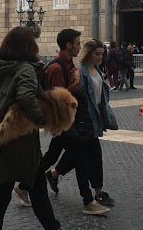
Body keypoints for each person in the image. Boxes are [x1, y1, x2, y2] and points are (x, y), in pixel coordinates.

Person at [0, 27, 82, 230]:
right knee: (33, 183)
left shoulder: (2, 68)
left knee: (7, 187)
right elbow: (25, 96)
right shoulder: (25, 69)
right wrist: (42, 118)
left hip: (4, 132)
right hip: (20, 139)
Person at [41, 29, 109, 216]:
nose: (80, 46)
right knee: (77, 157)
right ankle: (88, 200)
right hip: (65, 122)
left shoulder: (69, 65)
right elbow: (59, 98)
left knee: (62, 156)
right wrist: (77, 84)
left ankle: (26, 185)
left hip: (75, 121)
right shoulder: (57, 68)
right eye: (78, 43)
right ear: (69, 45)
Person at [77, 38, 117, 207]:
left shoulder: (97, 70)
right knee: (83, 159)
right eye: (97, 54)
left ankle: (98, 191)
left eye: (102, 54)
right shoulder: (81, 72)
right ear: (88, 53)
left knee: (89, 157)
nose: (100, 57)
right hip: (84, 121)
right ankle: (94, 194)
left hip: (94, 120)